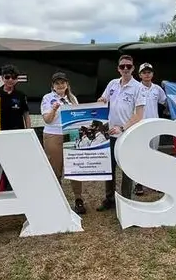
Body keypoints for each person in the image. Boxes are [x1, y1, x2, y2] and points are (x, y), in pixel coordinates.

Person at [96, 54, 145, 211]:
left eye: (128, 66)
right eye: (122, 66)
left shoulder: (138, 88)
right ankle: (109, 199)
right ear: (118, 68)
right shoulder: (112, 84)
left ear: (133, 68)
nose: (125, 69)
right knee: (109, 167)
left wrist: (123, 127)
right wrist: (99, 103)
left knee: (127, 169)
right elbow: (102, 100)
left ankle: (126, 202)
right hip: (109, 133)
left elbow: (139, 115)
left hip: (127, 135)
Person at [40, 71, 86, 214]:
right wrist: (54, 109)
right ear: (53, 85)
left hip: (70, 135)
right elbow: (47, 119)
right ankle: (56, 199)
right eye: (57, 83)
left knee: (74, 167)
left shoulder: (72, 99)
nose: (60, 85)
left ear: (67, 84)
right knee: (55, 168)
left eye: (63, 82)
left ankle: (78, 199)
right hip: (53, 134)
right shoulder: (48, 98)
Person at [0, 64, 30, 197]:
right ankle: (4, 186)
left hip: (18, 133)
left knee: (17, 160)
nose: (10, 80)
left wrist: (29, 131)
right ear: (3, 78)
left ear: (17, 79)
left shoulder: (21, 95)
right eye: (7, 77)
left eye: (14, 77)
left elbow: (26, 114)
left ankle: (17, 185)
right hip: (1, 134)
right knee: (3, 160)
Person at [132, 62, 167, 195]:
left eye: (149, 72)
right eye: (144, 72)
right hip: (139, 126)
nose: (147, 74)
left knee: (153, 155)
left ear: (152, 74)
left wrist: (170, 88)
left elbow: (166, 102)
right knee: (140, 156)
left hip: (154, 127)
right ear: (140, 74)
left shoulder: (157, 89)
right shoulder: (135, 88)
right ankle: (138, 184)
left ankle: (153, 182)